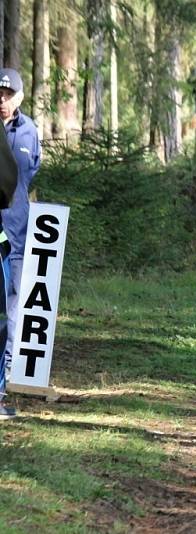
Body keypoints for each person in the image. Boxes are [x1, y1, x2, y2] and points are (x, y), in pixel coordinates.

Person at [0, 68, 39, 420]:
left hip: (18, 232)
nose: (2, 99)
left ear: (20, 97)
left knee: (13, 304)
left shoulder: (29, 131)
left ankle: (6, 374)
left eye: (8, 93)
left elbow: (31, 173)